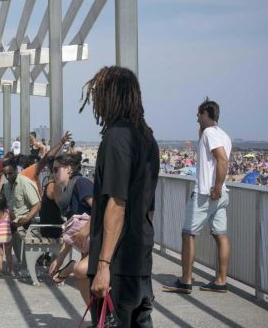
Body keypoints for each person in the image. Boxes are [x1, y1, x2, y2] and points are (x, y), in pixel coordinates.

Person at [80, 66, 159, 327]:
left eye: (99, 94)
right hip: (139, 263)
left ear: (111, 96)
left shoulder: (116, 137)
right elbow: (148, 208)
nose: (96, 102)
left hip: (117, 265)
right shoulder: (147, 138)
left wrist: (103, 266)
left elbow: (116, 204)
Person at [164, 98, 232, 294]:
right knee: (220, 235)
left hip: (206, 192)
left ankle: (185, 281)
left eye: (198, 114)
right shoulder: (222, 134)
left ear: (204, 113)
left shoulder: (210, 133)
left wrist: (216, 187)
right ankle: (221, 281)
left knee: (188, 234)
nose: (196, 118)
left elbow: (222, 160)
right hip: (221, 194)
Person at [46, 152, 94, 306]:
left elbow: (102, 208)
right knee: (85, 281)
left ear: (69, 169)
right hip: (87, 246)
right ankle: (98, 318)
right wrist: (59, 260)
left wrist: (86, 228)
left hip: (102, 242)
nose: (53, 174)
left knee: (80, 271)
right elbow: (71, 232)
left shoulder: (82, 184)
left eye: (56, 169)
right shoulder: (68, 192)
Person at [0, 158, 42, 278]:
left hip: (26, 224)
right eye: (5, 173)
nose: (7, 176)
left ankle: (26, 264)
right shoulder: (6, 186)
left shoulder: (25, 183)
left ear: (16, 170)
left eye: (10, 173)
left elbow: (37, 204)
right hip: (12, 222)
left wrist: (27, 218)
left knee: (13, 231)